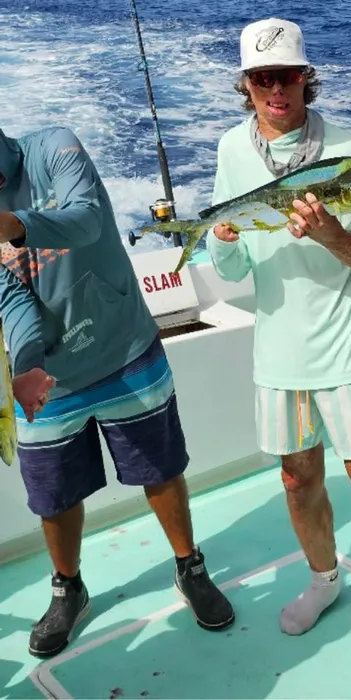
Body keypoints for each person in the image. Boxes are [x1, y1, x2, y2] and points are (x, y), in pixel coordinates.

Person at [206, 17, 351, 689]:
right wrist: (219, 238)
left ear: (306, 78)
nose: (275, 90)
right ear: (246, 85)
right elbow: (232, 267)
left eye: (286, 76)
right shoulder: (230, 149)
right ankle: (323, 579)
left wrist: (331, 233)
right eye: (262, 78)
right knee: (297, 480)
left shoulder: (347, 152)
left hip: (349, 346)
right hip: (278, 350)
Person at [0, 126, 234, 659]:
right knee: (54, 494)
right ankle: (68, 589)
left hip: (124, 348)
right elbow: (10, 300)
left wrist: (15, 225)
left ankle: (189, 566)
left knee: (160, 468)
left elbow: (87, 220)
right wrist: (29, 366)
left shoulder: (53, 149)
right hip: (50, 378)